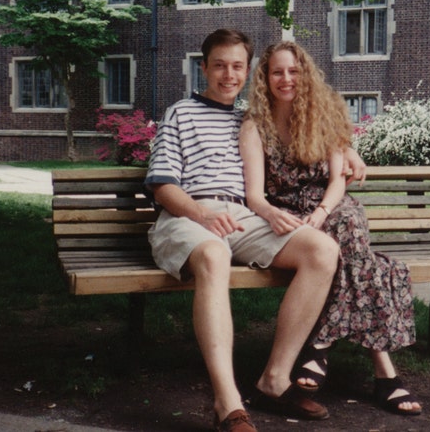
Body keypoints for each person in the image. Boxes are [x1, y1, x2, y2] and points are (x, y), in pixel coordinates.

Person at [145, 29, 342, 432]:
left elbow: (313, 127)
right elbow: (162, 186)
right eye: (219, 65)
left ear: (248, 70)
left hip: (241, 217)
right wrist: (200, 214)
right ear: (203, 68)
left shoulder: (253, 118)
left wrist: (348, 148)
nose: (228, 74)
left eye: (237, 66)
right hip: (186, 216)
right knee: (215, 254)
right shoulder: (180, 112)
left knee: (322, 250)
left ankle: (274, 377)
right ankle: (227, 402)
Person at [239, 41, 422, 415]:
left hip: (328, 207)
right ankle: (385, 376)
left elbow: (338, 181)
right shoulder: (254, 126)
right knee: (368, 265)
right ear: (265, 78)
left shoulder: (325, 114)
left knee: (350, 225)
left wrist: (322, 212)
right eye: (277, 72)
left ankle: (319, 346)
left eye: (293, 71)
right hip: (288, 215)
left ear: (305, 74)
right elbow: (255, 195)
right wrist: (272, 214)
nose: (286, 79)